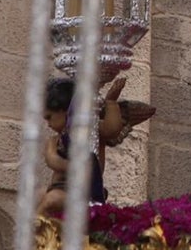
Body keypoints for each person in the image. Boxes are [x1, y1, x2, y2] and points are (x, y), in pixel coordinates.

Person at [37, 75, 126, 215]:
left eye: (50, 117)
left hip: (86, 190)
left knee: (51, 200)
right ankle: (41, 232)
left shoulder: (91, 131)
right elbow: (52, 160)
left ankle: (35, 228)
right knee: (38, 196)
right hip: (61, 186)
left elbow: (112, 129)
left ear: (65, 111)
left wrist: (111, 102)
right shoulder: (55, 140)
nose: (48, 123)